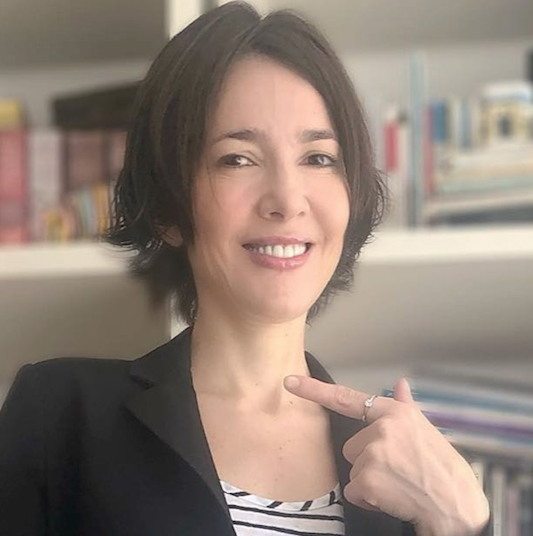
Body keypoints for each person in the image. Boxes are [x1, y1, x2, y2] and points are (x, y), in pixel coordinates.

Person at [0, 2, 490, 535]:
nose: (287, 200)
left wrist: (460, 522)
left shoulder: (402, 469)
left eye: (319, 158)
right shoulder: (61, 418)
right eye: (237, 159)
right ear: (167, 209)